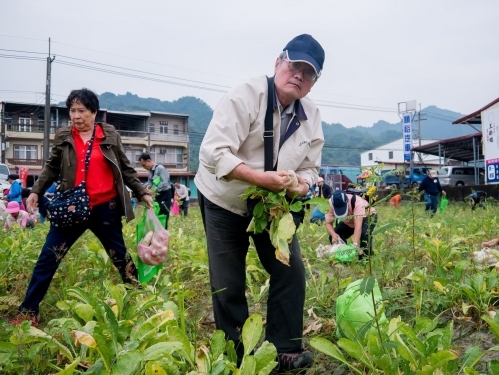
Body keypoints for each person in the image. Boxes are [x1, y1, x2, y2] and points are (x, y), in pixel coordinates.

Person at [195, 34, 325, 371]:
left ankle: (284, 350)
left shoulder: (311, 114)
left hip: (272, 207)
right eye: (294, 65)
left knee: (290, 272)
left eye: (308, 73)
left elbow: (311, 167)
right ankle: (239, 357)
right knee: (228, 282)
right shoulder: (246, 96)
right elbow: (213, 153)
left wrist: (301, 184)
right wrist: (258, 178)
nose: (298, 75)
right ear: (278, 63)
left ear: (312, 84)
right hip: (224, 199)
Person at [10, 88, 152, 327]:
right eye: (72, 110)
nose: (76, 116)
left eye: (82, 111)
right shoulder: (65, 135)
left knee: (120, 256)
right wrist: (36, 191)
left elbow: (125, 168)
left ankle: (139, 300)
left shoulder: (109, 134)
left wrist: (142, 191)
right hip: (71, 208)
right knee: (48, 258)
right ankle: (28, 311)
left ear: (94, 112)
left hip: (105, 208)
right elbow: (51, 166)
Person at [325, 190, 377, 259]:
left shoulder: (357, 202)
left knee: (365, 235)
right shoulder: (330, 204)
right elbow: (328, 223)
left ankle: (366, 258)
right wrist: (333, 234)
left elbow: (358, 227)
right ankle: (345, 254)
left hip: (367, 216)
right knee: (334, 236)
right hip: (349, 220)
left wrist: (355, 244)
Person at [139, 153, 172, 228]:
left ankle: (164, 232)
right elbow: (150, 182)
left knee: (164, 214)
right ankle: (158, 231)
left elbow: (164, 182)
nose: (144, 167)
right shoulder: (150, 171)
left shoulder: (160, 168)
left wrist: (154, 190)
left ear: (149, 161)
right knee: (158, 212)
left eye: (144, 165)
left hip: (165, 194)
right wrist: (145, 187)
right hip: (158, 194)